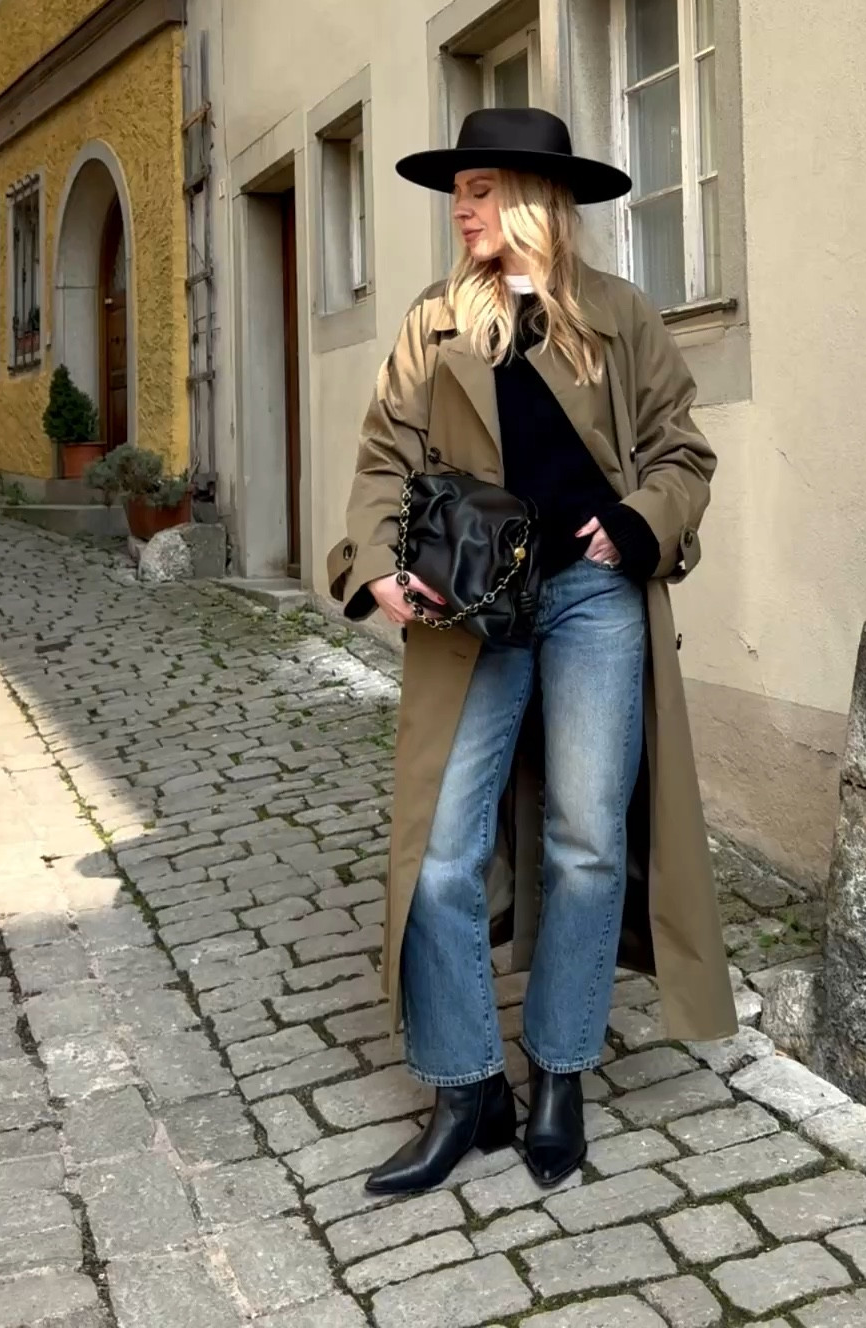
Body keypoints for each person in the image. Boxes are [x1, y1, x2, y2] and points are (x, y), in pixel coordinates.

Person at [329, 107, 736, 1199]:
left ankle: (561, 1073)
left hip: (596, 598)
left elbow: (684, 453)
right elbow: (384, 458)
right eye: (456, 192)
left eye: (478, 189)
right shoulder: (432, 322)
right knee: (441, 853)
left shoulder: (619, 316)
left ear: (532, 199)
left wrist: (641, 515)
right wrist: (376, 564)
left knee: (588, 842)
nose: (459, 210)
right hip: (476, 610)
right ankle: (470, 1090)